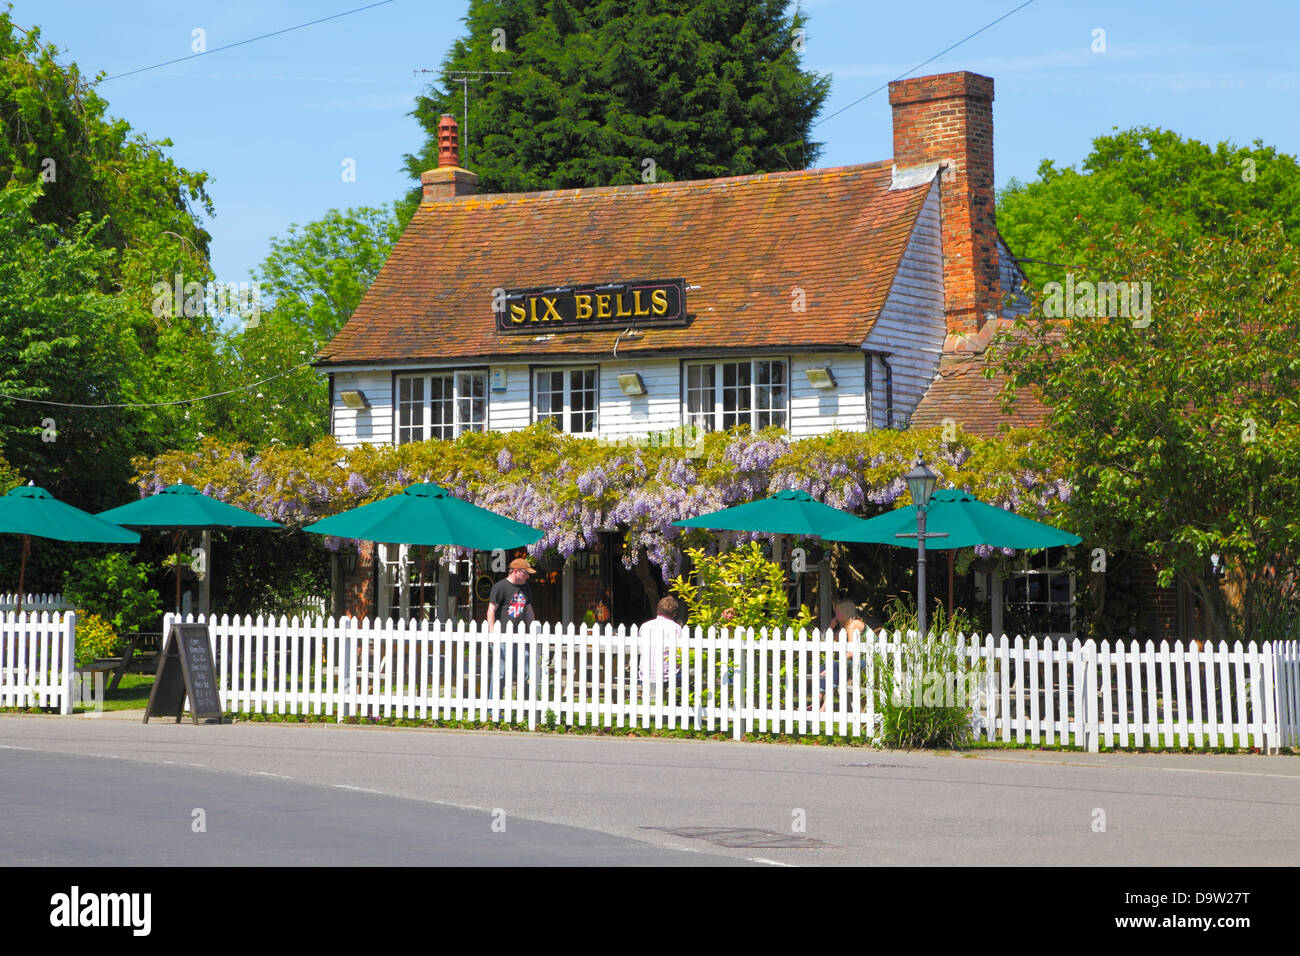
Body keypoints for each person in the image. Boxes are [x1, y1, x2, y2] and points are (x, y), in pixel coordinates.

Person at [486, 557, 538, 697]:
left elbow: (528, 611)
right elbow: (491, 611)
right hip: (502, 638)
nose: (528, 577)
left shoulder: (526, 588)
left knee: (525, 672)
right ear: (515, 571)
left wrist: (533, 630)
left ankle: (525, 707)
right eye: (525, 573)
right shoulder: (500, 587)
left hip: (520, 638)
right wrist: (492, 634)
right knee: (500, 674)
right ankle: (493, 710)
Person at [821, 599, 867, 711]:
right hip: (855, 662)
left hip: (867, 661)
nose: (836, 614)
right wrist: (831, 627)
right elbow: (827, 641)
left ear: (846, 611)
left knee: (833, 666)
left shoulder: (853, 625)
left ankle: (824, 707)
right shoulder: (845, 627)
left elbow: (851, 652)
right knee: (824, 667)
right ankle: (818, 702)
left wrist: (835, 664)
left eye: (838, 612)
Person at [638, 595, 683, 701]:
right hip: (667, 677)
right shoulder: (675, 628)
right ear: (674, 613)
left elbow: (641, 649)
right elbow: (679, 653)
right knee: (687, 680)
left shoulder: (645, 626)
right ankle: (674, 706)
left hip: (645, 675)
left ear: (658, 610)